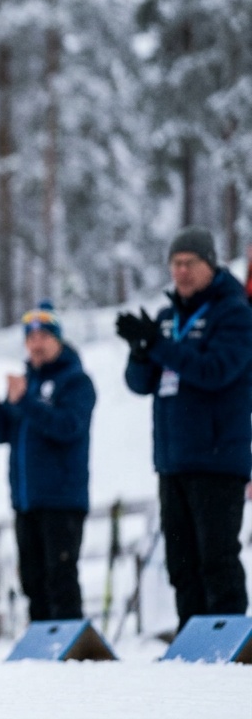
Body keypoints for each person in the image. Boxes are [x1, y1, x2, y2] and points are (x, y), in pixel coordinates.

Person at [116, 225, 252, 631]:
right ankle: (191, 646)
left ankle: (230, 646)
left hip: (216, 458)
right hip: (173, 461)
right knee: (180, 562)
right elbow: (140, 384)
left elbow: (215, 372)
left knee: (216, 558)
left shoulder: (234, 313)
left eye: (190, 262)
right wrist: (141, 351)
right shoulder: (166, 317)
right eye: (175, 264)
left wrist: (159, 347)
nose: (181, 272)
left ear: (210, 264)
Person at [0, 301, 96, 622]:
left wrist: (25, 401)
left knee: (61, 578)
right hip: (26, 501)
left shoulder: (76, 381)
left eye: (43, 336)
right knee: (32, 582)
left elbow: (69, 427)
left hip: (62, 499)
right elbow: (0, 434)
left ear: (58, 340)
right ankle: (42, 653)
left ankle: (72, 652)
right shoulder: (25, 383)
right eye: (30, 338)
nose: (36, 344)